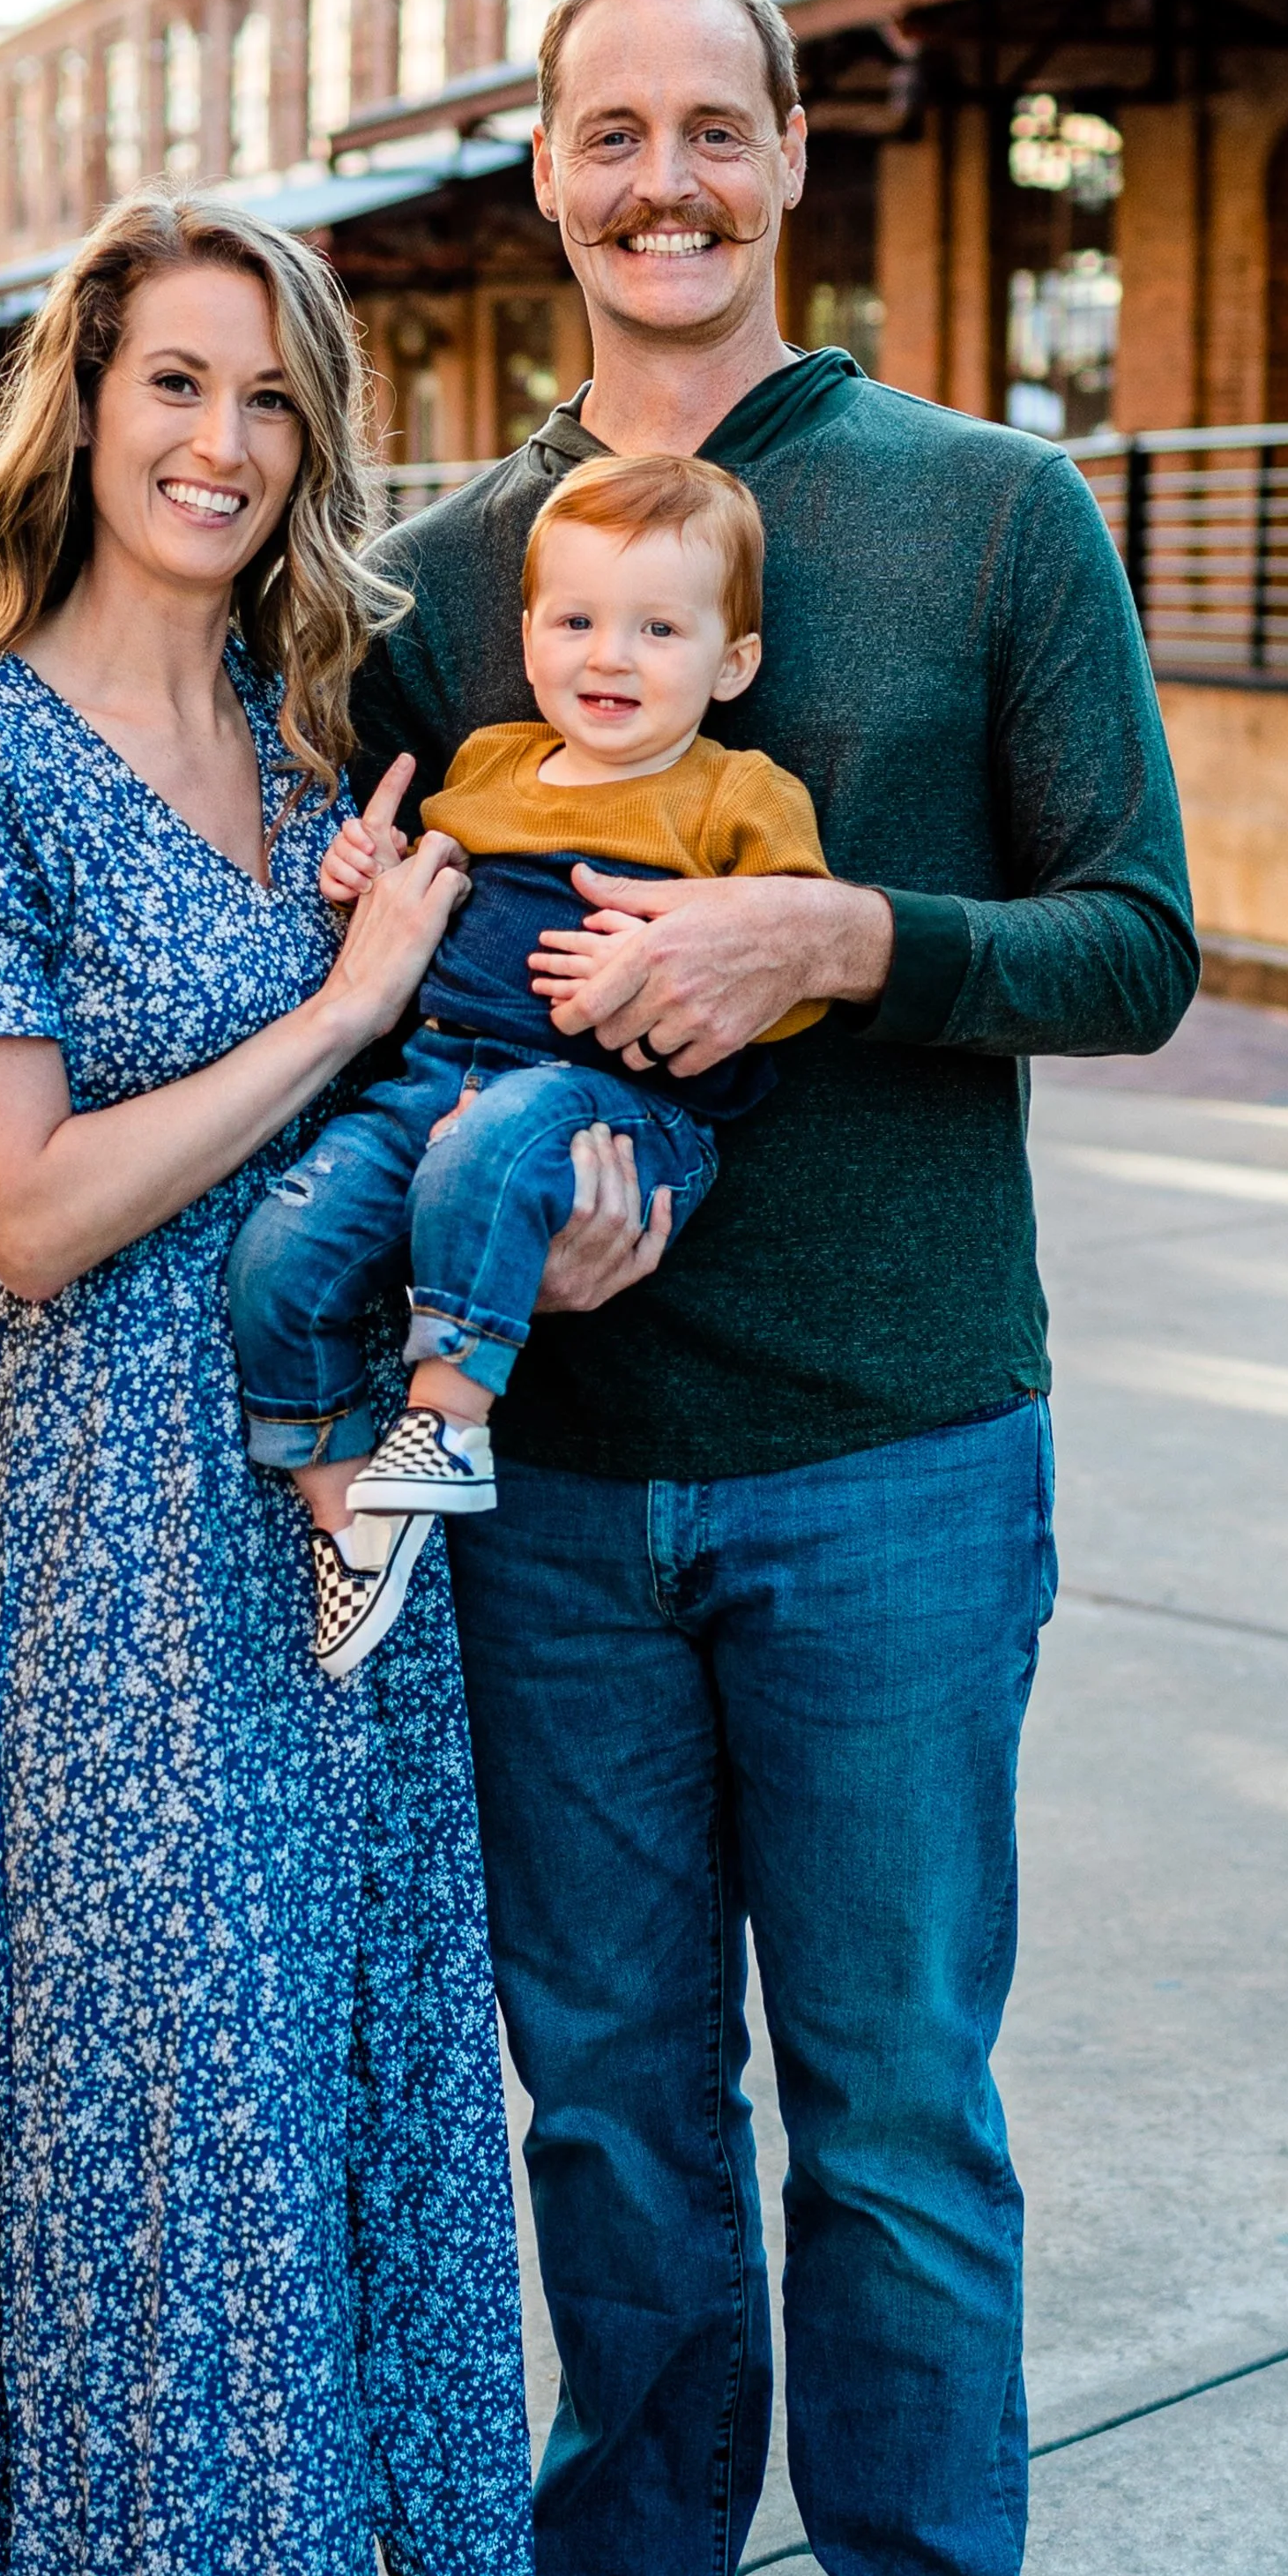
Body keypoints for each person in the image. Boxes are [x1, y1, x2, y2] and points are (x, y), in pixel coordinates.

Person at [349, 0, 1200, 2576]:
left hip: (902, 1456)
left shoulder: (988, 511)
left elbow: (1138, 943)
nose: (663, 182)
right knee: (605, 2115)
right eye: (611, 134)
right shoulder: (434, 580)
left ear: (792, 159)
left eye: (713, 128)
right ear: (546, 172)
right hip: (561, 1491)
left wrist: (848, 944)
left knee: (897, 2116)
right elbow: (365, 984)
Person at [0, 195, 555, 2576]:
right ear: (82, 398)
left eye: (273, 398)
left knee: (372, 2063)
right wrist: (341, 1009)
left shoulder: (308, 725)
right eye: (177, 380)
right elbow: (23, 1208)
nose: (223, 442)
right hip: (124, 1519)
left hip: (351, 1493)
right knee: (187, 2106)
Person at [227, 450, 828, 1675]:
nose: (609, 657)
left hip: (610, 1103)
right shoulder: (493, 764)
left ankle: (446, 1425)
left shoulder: (732, 797)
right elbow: (423, 901)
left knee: (493, 1151)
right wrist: (364, 880)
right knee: (280, 1254)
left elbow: (789, 976)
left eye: (658, 628)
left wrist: (662, 969)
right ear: (530, 633)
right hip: (435, 1079)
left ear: (733, 665)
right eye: (578, 620)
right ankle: (351, 1516)